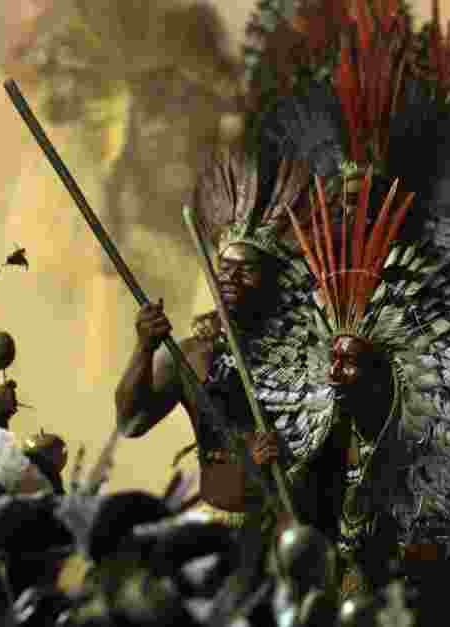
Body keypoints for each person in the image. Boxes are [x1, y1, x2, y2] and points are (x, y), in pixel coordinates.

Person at [114, 147, 296, 532]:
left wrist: (275, 455)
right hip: (220, 526)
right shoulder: (196, 355)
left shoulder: (301, 353)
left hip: (290, 526)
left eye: (246, 271)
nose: (230, 278)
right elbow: (131, 421)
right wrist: (144, 348)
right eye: (225, 268)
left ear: (273, 279)